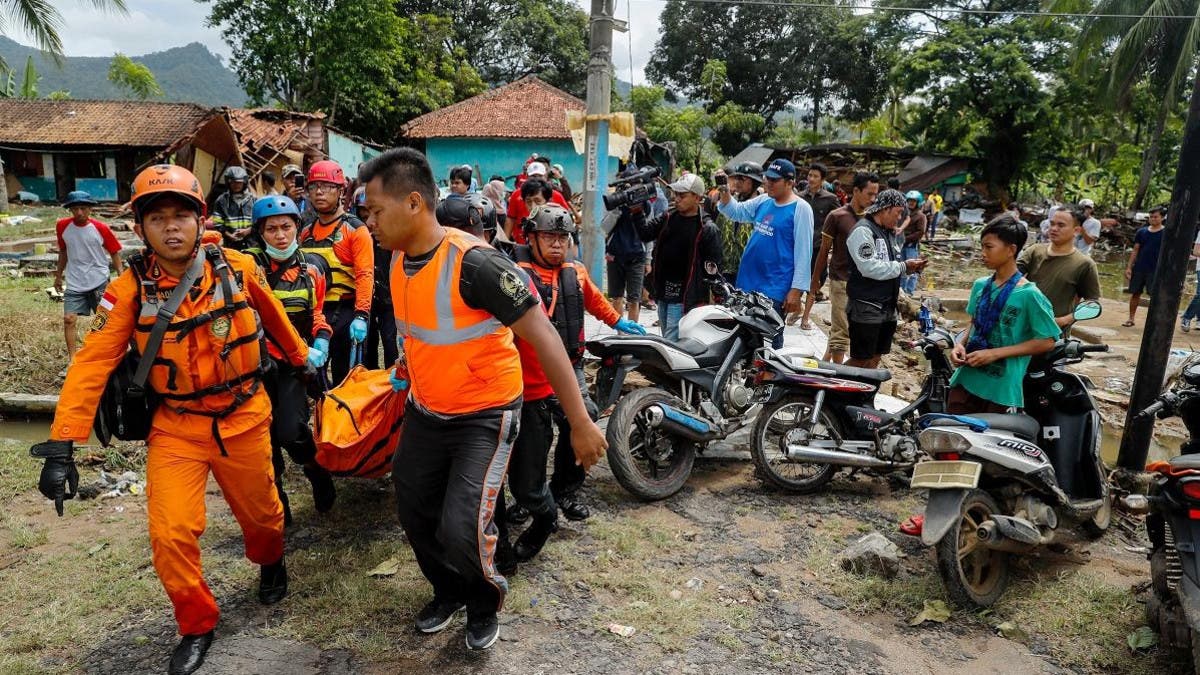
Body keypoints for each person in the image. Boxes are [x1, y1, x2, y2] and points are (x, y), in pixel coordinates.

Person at [33, 164, 313, 675]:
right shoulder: (127, 291)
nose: (171, 227)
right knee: (170, 533)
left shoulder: (238, 268)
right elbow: (91, 363)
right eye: (157, 217)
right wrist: (61, 445)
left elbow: (274, 319)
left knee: (265, 519)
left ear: (199, 219)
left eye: (181, 215)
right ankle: (197, 624)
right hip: (177, 425)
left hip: (244, 416)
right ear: (140, 228)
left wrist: (302, 365)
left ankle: (270, 562)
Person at [360, 148, 606, 651]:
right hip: (428, 411)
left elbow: (545, 337)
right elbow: (420, 332)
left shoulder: (478, 265)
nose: (369, 223)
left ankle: (482, 600)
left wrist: (579, 422)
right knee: (414, 509)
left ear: (413, 203)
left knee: (463, 524)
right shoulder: (397, 259)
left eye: (374, 211)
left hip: (486, 416)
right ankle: (447, 591)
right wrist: (405, 373)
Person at [495, 204, 644, 570]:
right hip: (526, 373)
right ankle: (529, 496)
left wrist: (619, 323)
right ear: (531, 237)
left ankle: (564, 489)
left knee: (586, 419)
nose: (557, 244)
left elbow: (596, 302)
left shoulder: (574, 274)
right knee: (525, 440)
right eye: (549, 236)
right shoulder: (516, 273)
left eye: (563, 237)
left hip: (569, 367)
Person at [252, 195, 337, 524]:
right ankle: (278, 502)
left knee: (292, 431)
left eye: (286, 227)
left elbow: (316, 313)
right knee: (263, 441)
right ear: (261, 233)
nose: (280, 235)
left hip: (293, 365)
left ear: (297, 229)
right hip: (257, 366)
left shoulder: (312, 268)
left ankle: (316, 470)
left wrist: (323, 338)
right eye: (271, 229)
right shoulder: (251, 270)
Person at [948, 214, 1059, 413]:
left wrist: (994, 354)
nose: (983, 253)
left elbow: (1047, 341)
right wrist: (959, 345)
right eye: (982, 246)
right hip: (966, 380)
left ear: (1011, 250)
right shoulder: (980, 286)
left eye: (989, 247)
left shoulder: (1030, 295)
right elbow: (974, 322)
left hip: (1001, 390)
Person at [717, 159, 814, 335]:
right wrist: (724, 188)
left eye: (774, 180)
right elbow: (735, 211)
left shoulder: (801, 209)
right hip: (747, 283)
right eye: (767, 178)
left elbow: (804, 253)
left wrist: (796, 291)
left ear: (790, 182)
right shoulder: (763, 201)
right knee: (743, 337)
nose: (768, 183)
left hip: (774, 288)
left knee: (768, 341)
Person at [298, 160, 374, 383]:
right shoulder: (305, 233)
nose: (319, 192)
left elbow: (365, 274)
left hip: (347, 311)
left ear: (341, 191)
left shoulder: (355, 230)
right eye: (314, 187)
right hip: (315, 313)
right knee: (312, 377)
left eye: (327, 186)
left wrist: (361, 315)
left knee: (344, 377)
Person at [635, 173, 723, 340]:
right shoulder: (668, 217)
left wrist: (716, 297)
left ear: (697, 198)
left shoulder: (707, 228)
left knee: (671, 341)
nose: (677, 199)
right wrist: (636, 212)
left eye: (682, 195)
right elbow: (645, 234)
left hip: (686, 296)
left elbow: (714, 268)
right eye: (676, 194)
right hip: (662, 292)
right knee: (668, 337)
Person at [806, 171, 880, 362]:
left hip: (863, 284)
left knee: (846, 326)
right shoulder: (837, 216)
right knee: (842, 331)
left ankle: (825, 362)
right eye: (869, 194)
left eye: (875, 195)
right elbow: (824, 251)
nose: (873, 199)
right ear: (856, 191)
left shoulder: (873, 219)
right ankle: (838, 378)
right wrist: (815, 282)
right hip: (841, 281)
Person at [845, 189, 923, 369]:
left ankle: (864, 396)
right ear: (886, 209)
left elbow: (890, 265)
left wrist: (909, 268)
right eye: (898, 213)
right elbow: (868, 267)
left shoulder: (888, 233)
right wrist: (904, 266)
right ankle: (835, 391)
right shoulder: (863, 231)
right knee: (861, 359)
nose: (899, 219)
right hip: (867, 306)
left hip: (888, 306)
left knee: (875, 358)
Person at [54, 190, 123, 371]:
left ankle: (111, 355)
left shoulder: (100, 228)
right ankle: (72, 360)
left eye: (83, 208)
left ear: (90, 209)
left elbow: (114, 252)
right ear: (69, 210)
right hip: (75, 280)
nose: (79, 213)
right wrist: (58, 275)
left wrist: (121, 277)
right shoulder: (62, 227)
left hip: (99, 279)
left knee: (105, 320)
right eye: (75, 209)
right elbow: (63, 251)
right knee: (69, 319)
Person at [1017, 209, 1101, 330]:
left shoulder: (1085, 264)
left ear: (1076, 231)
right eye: (1052, 224)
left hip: (1054, 334)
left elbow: (1092, 303)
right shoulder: (1034, 251)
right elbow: (1010, 276)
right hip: (1020, 327)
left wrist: (1064, 320)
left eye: (1061, 225)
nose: (1054, 228)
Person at [604, 167, 651, 324]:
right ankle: (620, 332)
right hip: (615, 255)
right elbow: (604, 227)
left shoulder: (644, 203)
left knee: (634, 299)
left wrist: (649, 259)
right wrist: (617, 211)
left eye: (635, 183)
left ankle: (633, 333)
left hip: (637, 256)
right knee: (617, 297)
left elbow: (648, 233)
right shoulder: (614, 201)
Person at [800, 163, 840, 325]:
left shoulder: (830, 199)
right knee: (796, 278)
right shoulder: (799, 197)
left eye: (815, 176)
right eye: (810, 175)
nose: (811, 179)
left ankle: (805, 316)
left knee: (816, 281)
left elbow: (838, 219)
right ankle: (799, 312)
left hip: (819, 246)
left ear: (822, 180)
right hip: (799, 245)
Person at [504, 162, 572, 242]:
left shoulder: (556, 195)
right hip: (521, 243)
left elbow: (566, 218)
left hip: (547, 244)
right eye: (533, 176)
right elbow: (510, 218)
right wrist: (505, 241)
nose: (536, 179)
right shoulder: (516, 195)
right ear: (527, 177)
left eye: (540, 176)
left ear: (545, 176)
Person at [1124, 206, 1165, 327]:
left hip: (1156, 270)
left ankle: (1154, 321)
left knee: (1155, 296)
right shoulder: (1142, 232)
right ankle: (1131, 318)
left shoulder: (1166, 233)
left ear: (1162, 217)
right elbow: (1135, 250)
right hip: (1140, 267)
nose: (1153, 219)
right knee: (1135, 293)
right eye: (1151, 217)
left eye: (1156, 217)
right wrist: (1129, 267)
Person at [210, 166, 257, 251]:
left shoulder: (253, 199)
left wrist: (247, 231)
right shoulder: (222, 200)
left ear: (244, 182)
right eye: (233, 182)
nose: (236, 185)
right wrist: (229, 235)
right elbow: (217, 223)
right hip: (230, 245)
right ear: (228, 183)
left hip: (251, 244)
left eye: (239, 182)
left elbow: (260, 222)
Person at [900, 190, 928, 295]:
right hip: (901, 245)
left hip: (911, 246)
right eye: (909, 201)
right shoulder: (903, 214)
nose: (911, 203)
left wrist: (905, 238)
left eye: (914, 201)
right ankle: (901, 291)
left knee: (913, 269)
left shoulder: (921, 216)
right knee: (902, 268)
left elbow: (920, 232)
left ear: (918, 202)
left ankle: (909, 291)